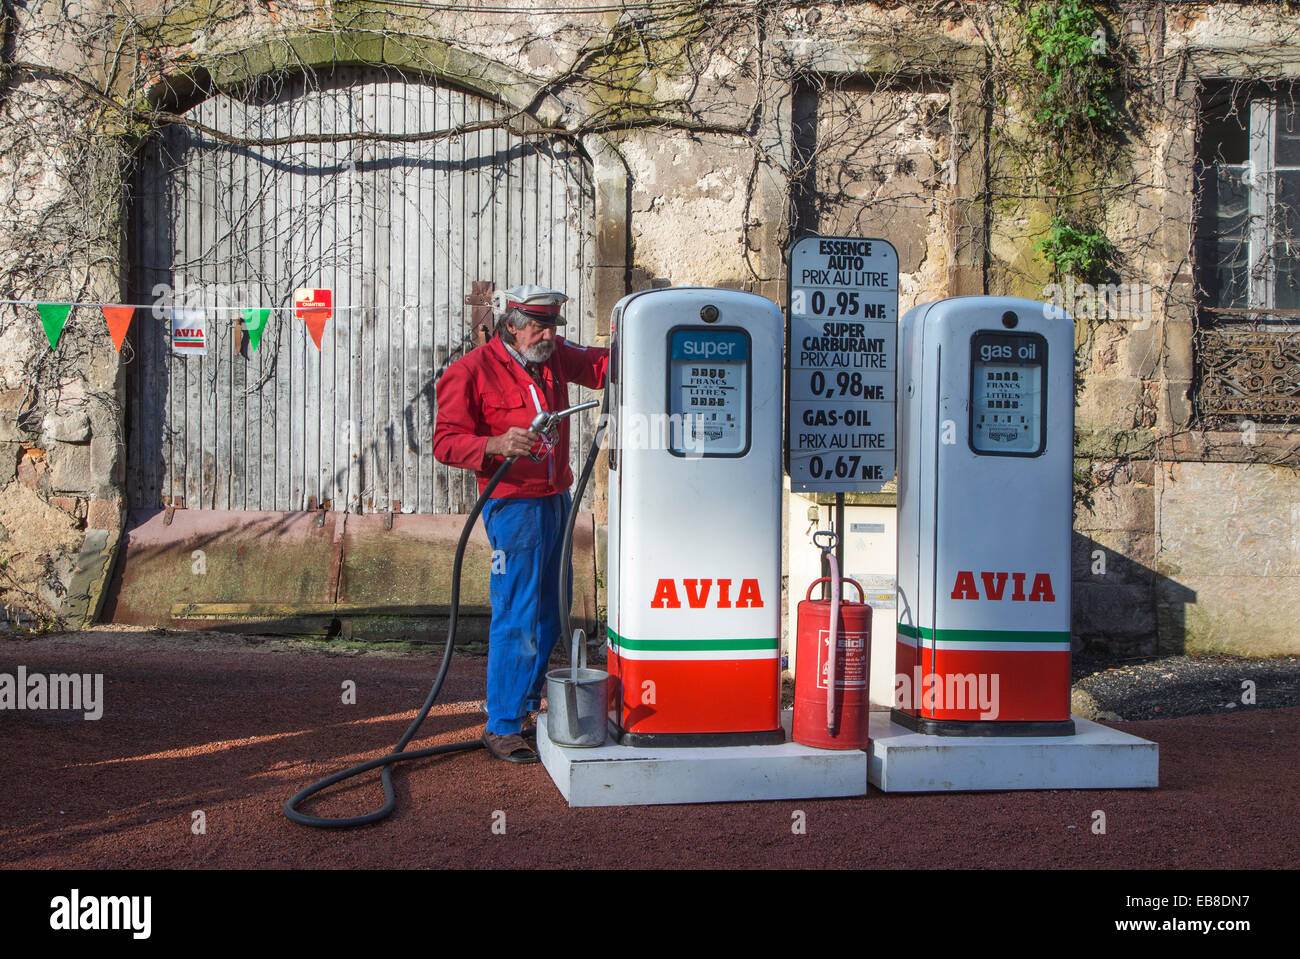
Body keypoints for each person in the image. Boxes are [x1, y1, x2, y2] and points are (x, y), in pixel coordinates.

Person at [432, 284, 609, 764]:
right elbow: (445, 442)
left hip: (556, 498)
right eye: (538, 325)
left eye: (552, 325)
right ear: (511, 325)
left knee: (553, 608)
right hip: (512, 504)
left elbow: (602, 366)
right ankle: (504, 724)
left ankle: (528, 710)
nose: (548, 334)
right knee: (519, 611)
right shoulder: (469, 372)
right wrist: (493, 445)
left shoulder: (552, 357)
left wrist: (647, 335)